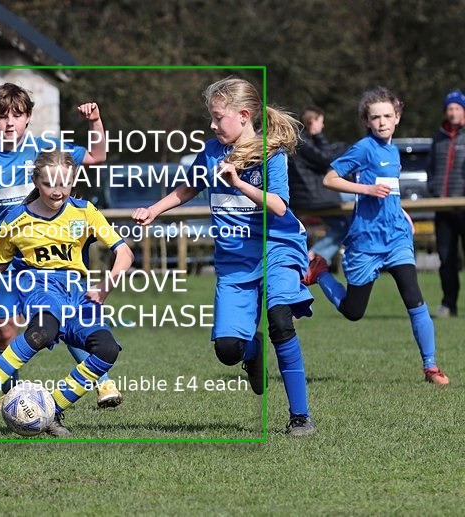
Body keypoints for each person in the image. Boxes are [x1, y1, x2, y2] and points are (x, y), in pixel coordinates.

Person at [132, 77, 317, 436]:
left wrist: (240, 184)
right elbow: (190, 187)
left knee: (279, 319)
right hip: (235, 262)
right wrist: (155, 209)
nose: (212, 125)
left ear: (244, 115)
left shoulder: (271, 154)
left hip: (276, 249)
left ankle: (300, 416)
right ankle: (252, 351)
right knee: (228, 350)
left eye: (218, 118)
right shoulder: (210, 152)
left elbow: (279, 206)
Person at [0, 150, 134, 437]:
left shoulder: (84, 211)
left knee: (107, 350)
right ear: (35, 181)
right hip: (40, 287)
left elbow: (124, 253)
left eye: (65, 183)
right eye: (49, 183)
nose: (58, 191)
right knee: (43, 331)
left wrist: (107, 285)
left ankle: (52, 409)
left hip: (78, 293)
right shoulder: (16, 220)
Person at [0, 82, 123, 409]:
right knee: (4, 331)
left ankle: (102, 381)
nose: (9, 123)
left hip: (48, 264)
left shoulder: (46, 151)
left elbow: (98, 156)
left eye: (16, 115)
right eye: (2, 117)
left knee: (66, 316)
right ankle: (9, 393)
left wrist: (95, 123)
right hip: (4, 264)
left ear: (28, 117)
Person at [303, 86, 450, 385]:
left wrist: (401, 211)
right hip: (366, 242)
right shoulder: (363, 148)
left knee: (414, 298)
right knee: (353, 312)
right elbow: (330, 179)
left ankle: (431, 367)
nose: (382, 122)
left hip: (396, 237)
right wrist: (366, 190)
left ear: (397, 117)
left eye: (387, 116)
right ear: (367, 121)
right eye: (375, 117)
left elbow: (388, 187)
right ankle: (319, 273)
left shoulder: (393, 150)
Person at [287, 106, 350, 265]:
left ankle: (316, 256)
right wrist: (319, 136)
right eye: (320, 122)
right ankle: (315, 255)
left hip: (311, 194)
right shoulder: (303, 142)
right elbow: (327, 159)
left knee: (344, 226)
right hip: (314, 195)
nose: (322, 126)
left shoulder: (301, 141)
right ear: (312, 122)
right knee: (361, 195)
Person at [426, 89, 465, 318]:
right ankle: (448, 304)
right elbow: (431, 168)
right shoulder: (438, 138)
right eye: (449, 109)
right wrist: (433, 190)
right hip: (443, 208)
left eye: (457, 108)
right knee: (446, 259)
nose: (452, 113)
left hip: (463, 207)